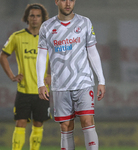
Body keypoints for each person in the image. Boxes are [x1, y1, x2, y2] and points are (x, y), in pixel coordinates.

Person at [36, 0, 106, 150]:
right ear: (56, 1)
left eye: (71, 0)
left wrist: (101, 79)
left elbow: (92, 51)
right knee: (66, 126)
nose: (68, 3)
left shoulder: (84, 22)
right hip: (60, 85)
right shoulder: (47, 27)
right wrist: (40, 84)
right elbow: (41, 56)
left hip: (83, 82)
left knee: (87, 121)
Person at [0, 3, 51, 150]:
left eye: (38, 16)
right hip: (24, 90)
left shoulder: (48, 38)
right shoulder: (17, 37)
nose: (35, 19)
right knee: (20, 123)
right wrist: (12, 76)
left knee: (38, 124)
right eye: (32, 16)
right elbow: (2, 56)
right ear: (27, 18)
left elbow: (60, 59)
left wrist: (53, 76)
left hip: (42, 92)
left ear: (42, 18)